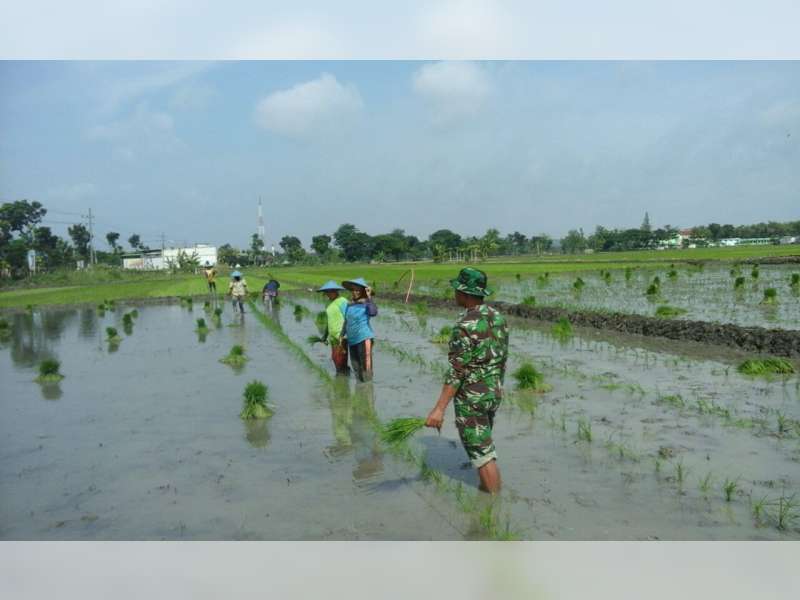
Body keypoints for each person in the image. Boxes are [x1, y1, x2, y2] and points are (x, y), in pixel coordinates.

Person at [424, 267, 508, 494]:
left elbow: (456, 372)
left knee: (482, 454)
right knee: (483, 446)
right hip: (493, 392)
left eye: (456, 290)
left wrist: (438, 409)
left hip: (473, 399)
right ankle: (485, 489)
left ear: (464, 293)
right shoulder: (497, 317)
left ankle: (491, 508)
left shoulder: (464, 326)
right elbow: (501, 358)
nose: (454, 294)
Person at [341, 278, 378, 382]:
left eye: (358, 290)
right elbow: (346, 321)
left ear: (362, 292)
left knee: (366, 366)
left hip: (363, 338)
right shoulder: (349, 305)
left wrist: (369, 297)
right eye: (353, 290)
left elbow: (373, 313)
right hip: (352, 340)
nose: (355, 292)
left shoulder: (367, 303)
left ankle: (368, 390)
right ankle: (360, 391)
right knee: (356, 366)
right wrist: (341, 335)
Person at [317, 280, 349, 375]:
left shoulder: (343, 301)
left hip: (341, 335)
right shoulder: (328, 304)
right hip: (332, 336)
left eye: (330, 291)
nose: (328, 294)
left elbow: (348, 317)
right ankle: (342, 376)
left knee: (340, 358)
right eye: (326, 292)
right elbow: (329, 322)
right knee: (335, 358)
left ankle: (342, 379)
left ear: (336, 291)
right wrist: (325, 335)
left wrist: (343, 335)